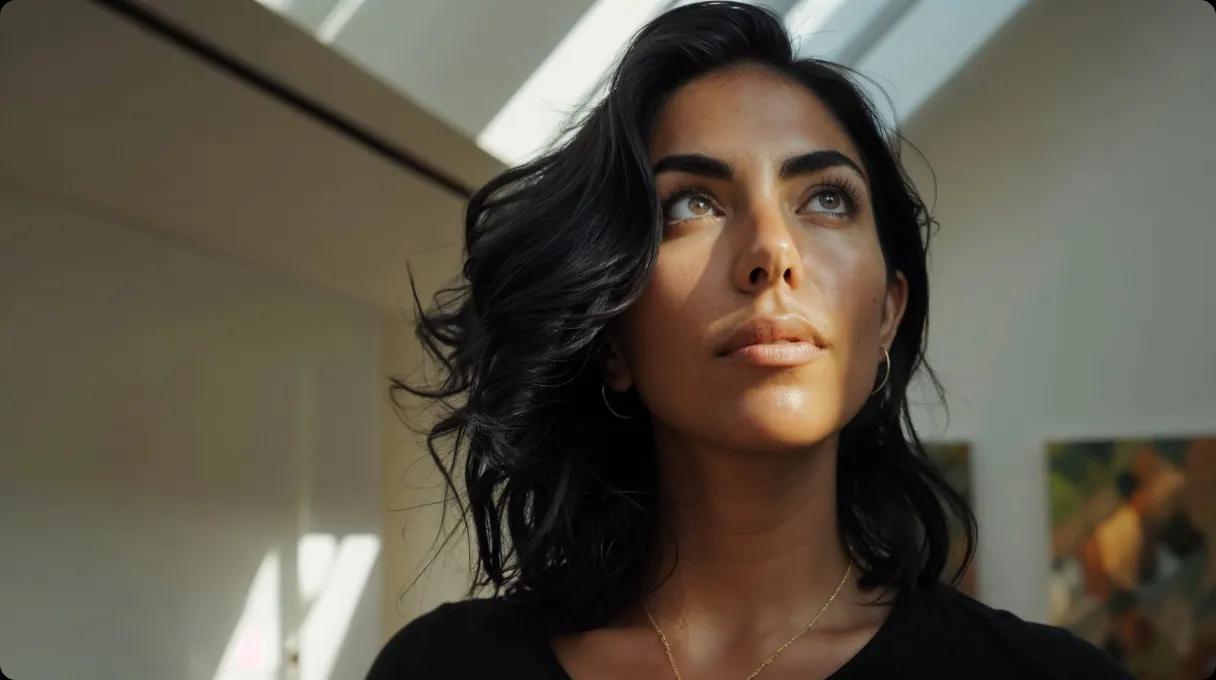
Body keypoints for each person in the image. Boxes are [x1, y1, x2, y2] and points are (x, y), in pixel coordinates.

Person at [368, 2, 1132, 678]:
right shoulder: (438, 667)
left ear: (888, 315)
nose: (773, 252)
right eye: (691, 203)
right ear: (611, 338)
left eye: (827, 199)